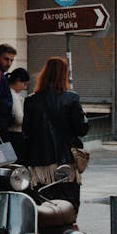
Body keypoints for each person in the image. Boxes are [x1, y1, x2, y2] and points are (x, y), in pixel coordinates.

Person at [21, 57, 90, 210]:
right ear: (64, 75)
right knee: (68, 205)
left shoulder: (30, 101)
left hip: (40, 165)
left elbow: (26, 134)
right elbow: (81, 129)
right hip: (65, 163)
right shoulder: (71, 98)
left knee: (44, 207)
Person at [4, 67, 30, 161]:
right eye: (24, 84)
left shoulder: (8, 92)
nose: (25, 87)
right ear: (18, 80)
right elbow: (19, 118)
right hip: (15, 134)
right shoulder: (13, 95)